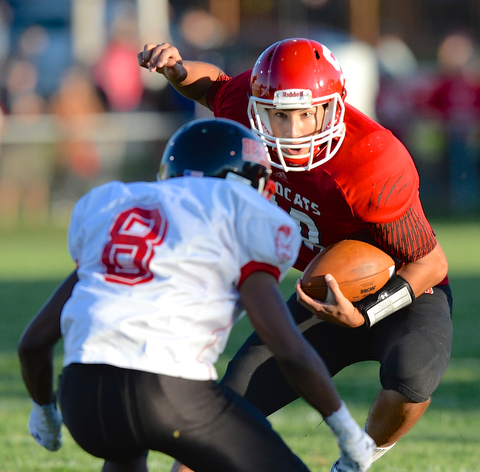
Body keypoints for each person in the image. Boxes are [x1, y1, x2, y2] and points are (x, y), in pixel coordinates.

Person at [138, 38, 453, 472]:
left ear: (333, 107)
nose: (292, 130)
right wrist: (176, 71)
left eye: (306, 114)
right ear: (259, 109)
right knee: (226, 408)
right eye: (280, 116)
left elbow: (432, 264)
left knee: (411, 375)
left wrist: (364, 316)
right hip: (320, 291)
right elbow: (212, 87)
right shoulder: (245, 108)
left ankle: (354, 464)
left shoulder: (372, 161)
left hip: (404, 287)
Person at [18, 118, 375, 472]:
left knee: (124, 453)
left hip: (82, 397)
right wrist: (347, 431)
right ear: (244, 183)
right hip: (165, 391)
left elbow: (33, 343)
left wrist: (45, 412)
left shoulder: (118, 208)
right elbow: (287, 349)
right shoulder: (239, 214)